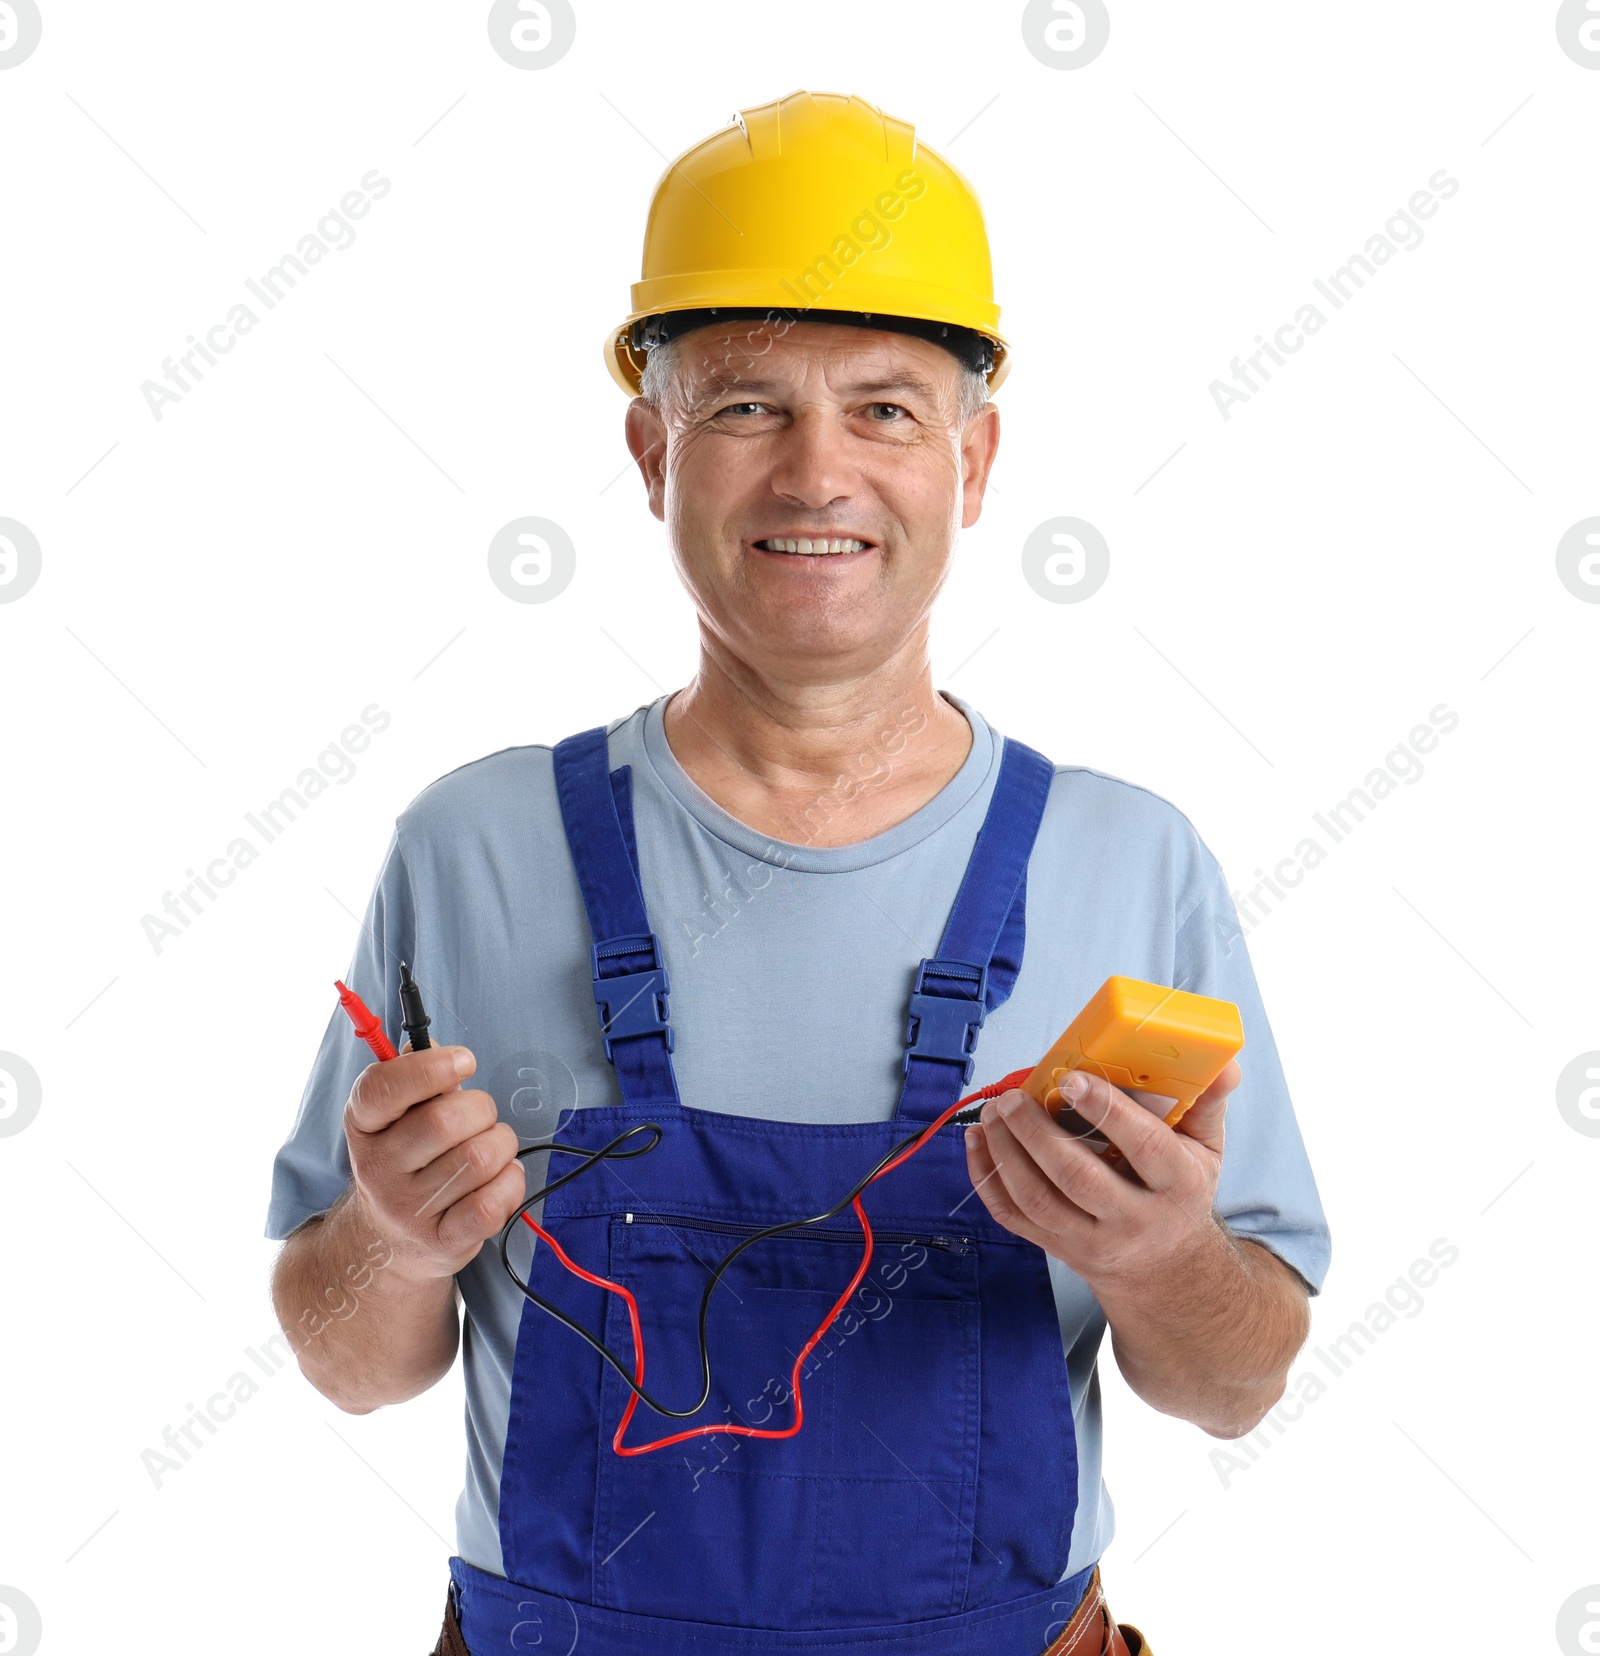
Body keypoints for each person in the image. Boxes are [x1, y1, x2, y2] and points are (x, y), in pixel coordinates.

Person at [266, 90, 1331, 1656]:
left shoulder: (1132, 863)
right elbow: (351, 1360)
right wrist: (395, 1239)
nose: (817, 473)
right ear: (653, 451)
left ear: (973, 462)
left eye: (888, 409)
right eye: (749, 406)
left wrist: (1166, 1258)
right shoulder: (470, 848)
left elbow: (1236, 1391)